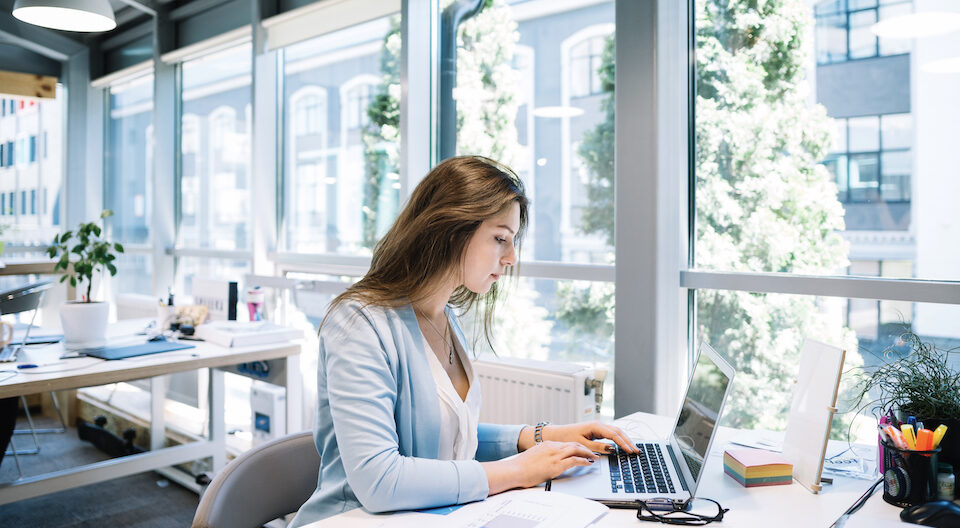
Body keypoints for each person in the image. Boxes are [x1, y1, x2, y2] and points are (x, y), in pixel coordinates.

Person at [290, 156, 636, 526]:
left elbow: (445, 439)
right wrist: (518, 470)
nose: (511, 258)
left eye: (513, 241)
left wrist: (538, 437)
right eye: (500, 238)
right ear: (449, 229)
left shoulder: (444, 316)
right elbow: (380, 480)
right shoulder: (359, 322)